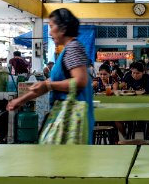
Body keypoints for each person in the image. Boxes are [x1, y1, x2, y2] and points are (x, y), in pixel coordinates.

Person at [7, 8, 94, 144]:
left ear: (63, 28)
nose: (49, 31)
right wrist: (21, 100)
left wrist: (49, 85)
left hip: (72, 117)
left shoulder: (72, 48)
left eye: (51, 26)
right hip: (65, 115)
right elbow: (47, 85)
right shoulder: (66, 51)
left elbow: (80, 81)